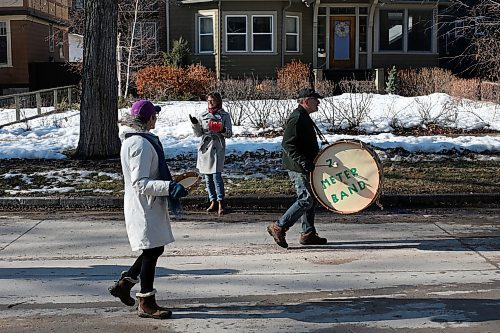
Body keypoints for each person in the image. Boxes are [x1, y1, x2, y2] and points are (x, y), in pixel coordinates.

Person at [109, 99, 188, 320]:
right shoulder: (139, 144)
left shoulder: (139, 140)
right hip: (144, 206)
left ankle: (124, 285)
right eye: (155, 115)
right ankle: (145, 302)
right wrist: (169, 186)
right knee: (152, 250)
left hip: (149, 205)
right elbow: (140, 182)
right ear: (149, 119)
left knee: (153, 249)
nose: (157, 119)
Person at [267, 88, 328, 248]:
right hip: (298, 166)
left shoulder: (303, 116)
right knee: (306, 199)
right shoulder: (297, 118)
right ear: (306, 101)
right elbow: (287, 144)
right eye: (316, 100)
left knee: (311, 198)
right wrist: (303, 161)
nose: (319, 102)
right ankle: (279, 226)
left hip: (304, 164)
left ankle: (308, 233)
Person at [189, 92, 233, 215]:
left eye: (212, 101)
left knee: (216, 176)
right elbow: (198, 134)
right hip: (205, 148)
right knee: (207, 178)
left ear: (218, 101)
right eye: (208, 101)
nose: (210, 103)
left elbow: (229, 133)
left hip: (217, 147)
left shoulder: (224, 115)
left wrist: (222, 129)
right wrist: (195, 124)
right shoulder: (203, 115)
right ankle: (212, 200)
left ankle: (221, 202)